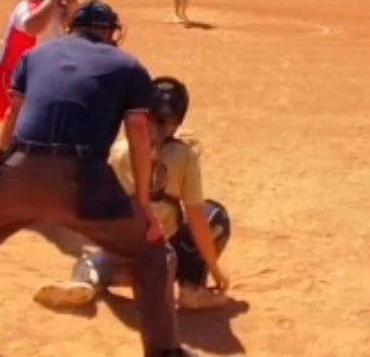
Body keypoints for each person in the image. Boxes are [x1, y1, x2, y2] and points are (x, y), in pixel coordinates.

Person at [0, 0, 187, 357]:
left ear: (72, 28)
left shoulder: (34, 56)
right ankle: (164, 352)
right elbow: (138, 131)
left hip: (20, 170)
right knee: (151, 254)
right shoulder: (128, 66)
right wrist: (142, 204)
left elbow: (12, 115)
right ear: (110, 32)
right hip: (82, 179)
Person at [34, 75, 233, 313]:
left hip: (125, 257)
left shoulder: (120, 150)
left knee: (93, 260)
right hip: (164, 260)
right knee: (214, 214)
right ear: (178, 120)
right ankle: (192, 289)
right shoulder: (185, 156)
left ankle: (88, 280)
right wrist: (215, 269)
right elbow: (196, 219)